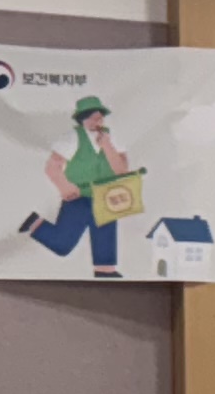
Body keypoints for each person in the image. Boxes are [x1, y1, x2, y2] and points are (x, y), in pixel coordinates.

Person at [20, 93, 133, 275]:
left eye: (100, 116)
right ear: (83, 119)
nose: (98, 121)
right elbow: (52, 167)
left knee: (105, 239)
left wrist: (107, 146)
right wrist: (66, 188)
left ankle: (105, 272)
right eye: (93, 117)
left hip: (107, 197)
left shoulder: (112, 138)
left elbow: (121, 171)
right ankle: (35, 223)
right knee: (62, 244)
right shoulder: (72, 138)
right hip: (79, 197)